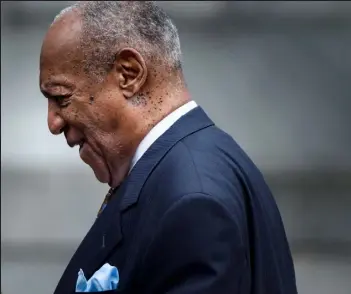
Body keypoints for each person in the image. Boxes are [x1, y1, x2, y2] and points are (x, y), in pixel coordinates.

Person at [39, 1, 297, 293]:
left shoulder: (193, 200)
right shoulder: (189, 169)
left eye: (61, 97)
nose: (53, 123)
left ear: (129, 74)